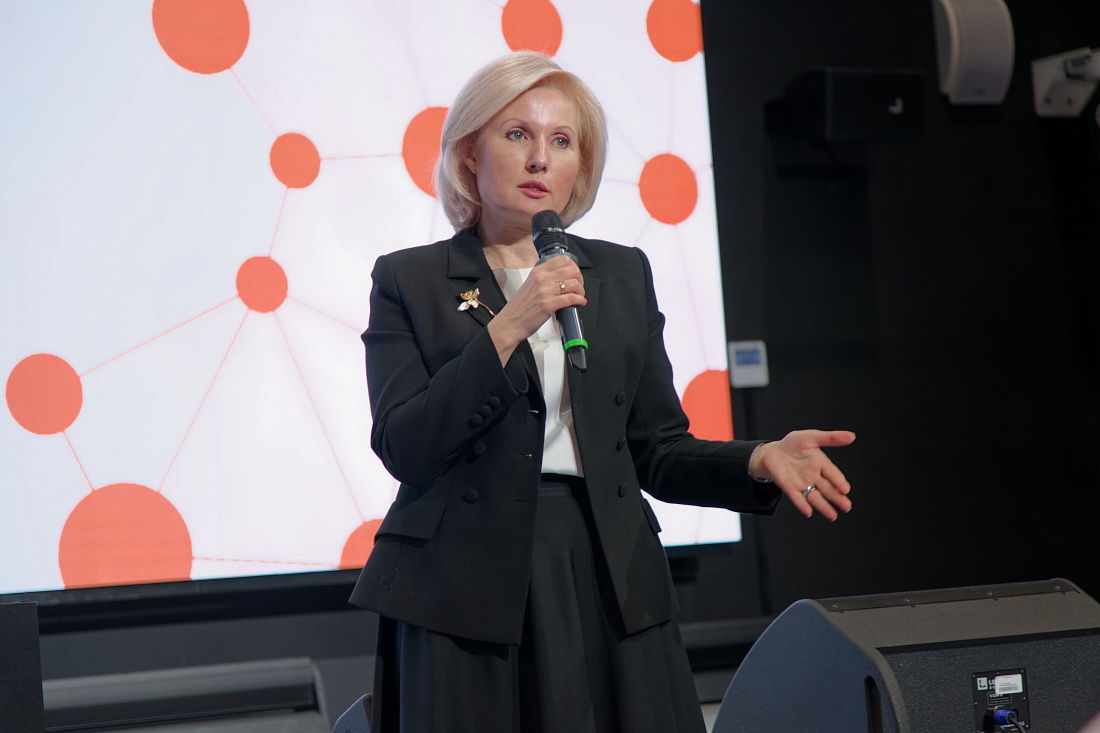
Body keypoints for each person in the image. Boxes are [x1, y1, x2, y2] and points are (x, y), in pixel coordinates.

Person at [349, 51, 856, 733]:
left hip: (605, 570)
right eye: (517, 134)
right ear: (469, 151)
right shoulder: (408, 280)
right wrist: (510, 324)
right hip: (462, 590)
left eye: (562, 141)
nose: (540, 158)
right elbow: (405, 445)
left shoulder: (621, 275)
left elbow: (658, 449)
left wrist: (758, 459)